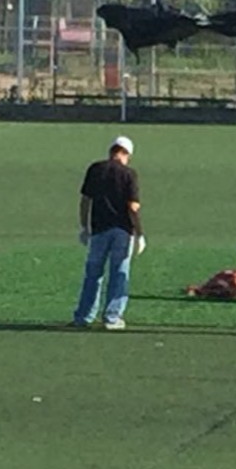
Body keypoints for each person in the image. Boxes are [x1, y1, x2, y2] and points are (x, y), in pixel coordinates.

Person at [72, 136, 146, 330]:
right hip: (122, 231)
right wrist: (140, 234)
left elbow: (85, 201)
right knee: (119, 273)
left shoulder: (95, 169)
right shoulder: (129, 174)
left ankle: (84, 316)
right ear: (127, 154)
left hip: (99, 229)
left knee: (93, 274)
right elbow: (133, 207)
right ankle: (112, 318)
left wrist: (84, 226)